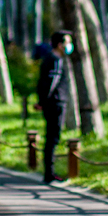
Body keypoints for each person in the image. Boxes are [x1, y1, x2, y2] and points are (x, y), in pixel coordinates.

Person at [33, 30, 72, 183]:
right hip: (55, 102)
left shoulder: (50, 58)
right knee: (53, 137)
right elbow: (50, 82)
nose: (70, 46)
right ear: (60, 44)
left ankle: (49, 172)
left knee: (51, 137)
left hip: (51, 102)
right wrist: (43, 101)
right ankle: (49, 173)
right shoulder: (55, 60)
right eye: (68, 42)